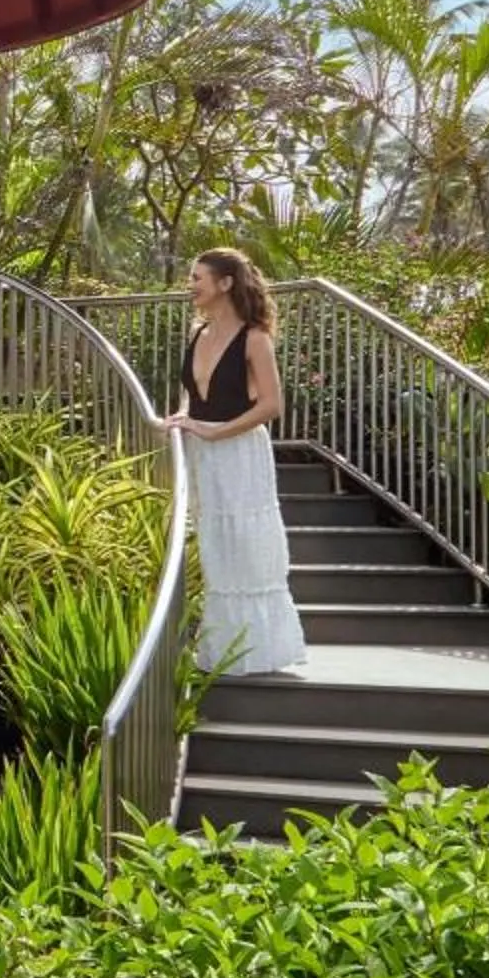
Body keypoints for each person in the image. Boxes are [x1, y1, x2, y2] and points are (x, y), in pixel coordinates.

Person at [164, 247, 306, 679]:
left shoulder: (254, 338)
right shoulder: (198, 333)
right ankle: (218, 649)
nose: (190, 286)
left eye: (197, 278)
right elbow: (194, 396)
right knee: (212, 544)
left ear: (225, 284)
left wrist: (214, 431)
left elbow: (271, 405)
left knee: (244, 544)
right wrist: (181, 420)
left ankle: (257, 650)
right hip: (201, 452)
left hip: (241, 452)